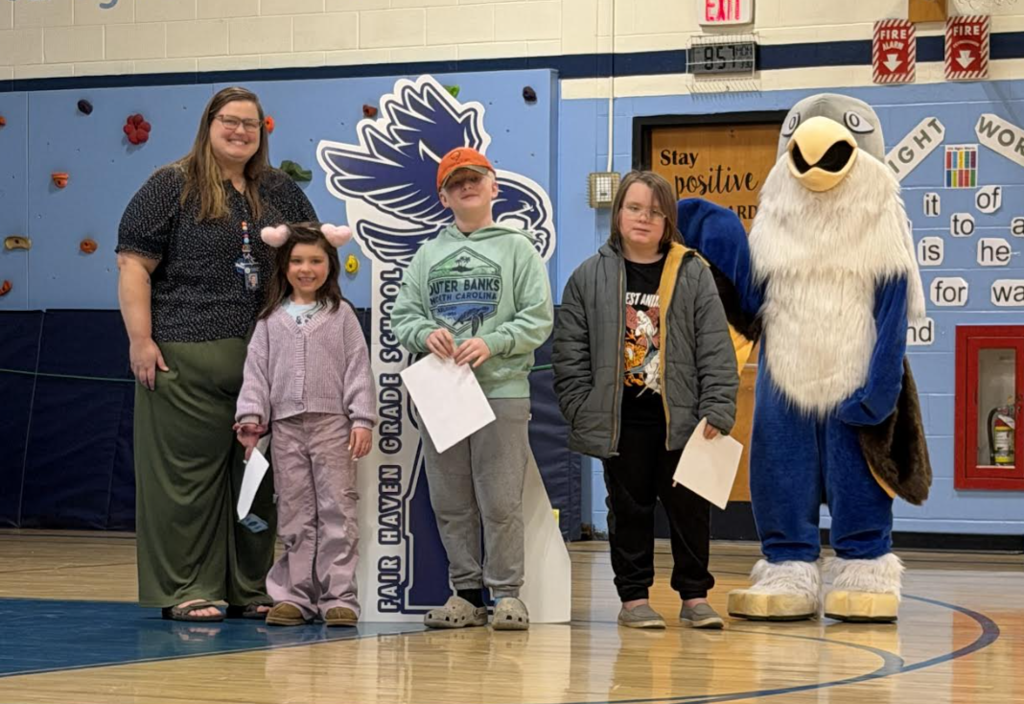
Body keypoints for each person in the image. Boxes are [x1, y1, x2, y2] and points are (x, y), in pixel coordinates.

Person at [116, 86, 317, 622]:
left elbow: (310, 258)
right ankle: (187, 587)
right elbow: (133, 264)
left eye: (251, 124)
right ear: (209, 124)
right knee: (185, 485)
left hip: (266, 361)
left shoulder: (280, 190)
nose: (240, 132)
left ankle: (251, 587)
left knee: (259, 482)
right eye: (230, 121)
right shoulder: (170, 185)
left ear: (262, 133)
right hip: (183, 357)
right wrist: (140, 340)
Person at [551, 170, 739, 629]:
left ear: (668, 220)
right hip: (622, 422)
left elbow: (716, 346)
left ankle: (695, 596)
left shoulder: (692, 272)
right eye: (634, 208)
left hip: (684, 421)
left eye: (655, 212)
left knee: (690, 512)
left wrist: (718, 406)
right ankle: (633, 599)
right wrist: (581, 405)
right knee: (628, 512)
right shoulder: (588, 277)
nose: (643, 219)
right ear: (617, 214)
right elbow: (569, 350)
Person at [391, 147, 554, 631]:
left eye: (475, 179)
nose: (467, 186)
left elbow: (538, 318)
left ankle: (507, 595)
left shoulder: (518, 249)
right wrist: (425, 334)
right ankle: (465, 593)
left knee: (500, 501)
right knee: (450, 500)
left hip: (501, 390)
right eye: (456, 181)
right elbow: (404, 316)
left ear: (493, 188)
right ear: (444, 196)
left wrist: (494, 341)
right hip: (442, 392)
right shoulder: (428, 255)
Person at [234, 222, 376, 627]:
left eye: (315, 260)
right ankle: (294, 596)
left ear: (329, 265)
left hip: (333, 426)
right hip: (286, 428)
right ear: (284, 265)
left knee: (337, 509)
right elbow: (256, 373)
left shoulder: (341, 315)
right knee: (295, 512)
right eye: (297, 261)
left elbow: (358, 371)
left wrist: (361, 418)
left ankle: (338, 597)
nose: (306, 268)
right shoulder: (270, 320)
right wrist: (250, 417)